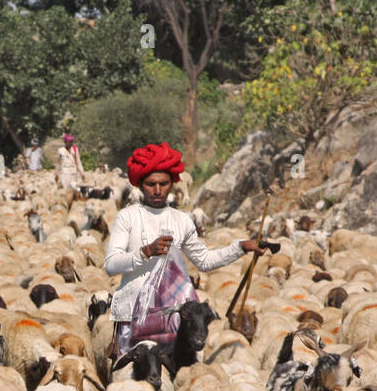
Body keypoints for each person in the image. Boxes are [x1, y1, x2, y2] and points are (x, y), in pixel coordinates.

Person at [104, 142, 265, 357]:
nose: (158, 190)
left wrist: (241, 247)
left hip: (177, 317)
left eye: (164, 183)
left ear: (172, 184)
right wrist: (145, 252)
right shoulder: (128, 217)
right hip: (134, 314)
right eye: (151, 184)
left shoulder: (182, 220)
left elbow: (204, 261)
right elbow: (111, 265)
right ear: (140, 184)